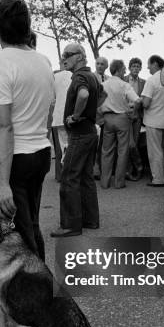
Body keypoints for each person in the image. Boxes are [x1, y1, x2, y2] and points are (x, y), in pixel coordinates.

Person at [0, 0, 54, 261]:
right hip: (40, 152)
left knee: (18, 233)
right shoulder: (43, 61)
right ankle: (39, 287)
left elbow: (2, 126)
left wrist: (1, 184)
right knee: (30, 223)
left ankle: (37, 292)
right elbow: (47, 112)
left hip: (14, 158)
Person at [51, 43, 103, 237]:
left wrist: (75, 116)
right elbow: (102, 94)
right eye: (63, 55)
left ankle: (70, 225)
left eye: (68, 54)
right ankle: (90, 220)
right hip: (90, 132)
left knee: (69, 177)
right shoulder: (92, 76)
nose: (64, 58)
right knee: (86, 177)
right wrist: (90, 111)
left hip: (80, 133)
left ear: (80, 56)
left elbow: (83, 94)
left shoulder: (80, 76)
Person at [100, 59, 141, 189]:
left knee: (106, 151)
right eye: (123, 69)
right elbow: (138, 100)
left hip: (107, 119)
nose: (125, 71)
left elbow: (97, 102)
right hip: (122, 119)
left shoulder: (103, 84)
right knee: (122, 151)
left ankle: (105, 182)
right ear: (118, 70)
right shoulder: (125, 85)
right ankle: (119, 182)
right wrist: (132, 111)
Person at [141, 54, 164, 187]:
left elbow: (146, 103)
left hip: (153, 120)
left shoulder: (152, 80)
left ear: (155, 64)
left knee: (155, 151)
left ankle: (158, 179)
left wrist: (140, 101)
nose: (147, 67)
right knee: (163, 149)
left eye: (149, 64)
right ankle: (163, 175)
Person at [124, 57, 146, 181]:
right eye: (133, 66)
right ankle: (136, 168)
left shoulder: (144, 82)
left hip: (137, 116)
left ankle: (133, 170)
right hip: (126, 115)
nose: (136, 68)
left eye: (138, 66)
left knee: (135, 143)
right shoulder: (123, 80)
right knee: (129, 144)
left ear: (140, 68)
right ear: (129, 68)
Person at [51, 61, 72, 182]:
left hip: (58, 116)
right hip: (71, 116)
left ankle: (61, 175)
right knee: (69, 145)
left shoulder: (55, 77)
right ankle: (68, 173)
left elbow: (52, 97)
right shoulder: (74, 75)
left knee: (61, 146)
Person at [93, 56, 109, 179]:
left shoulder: (109, 79)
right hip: (94, 116)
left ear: (106, 66)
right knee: (95, 145)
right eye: (97, 63)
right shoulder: (91, 78)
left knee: (104, 145)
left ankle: (104, 169)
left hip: (107, 116)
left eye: (102, 64)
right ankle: (95, 169)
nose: (99, 66)